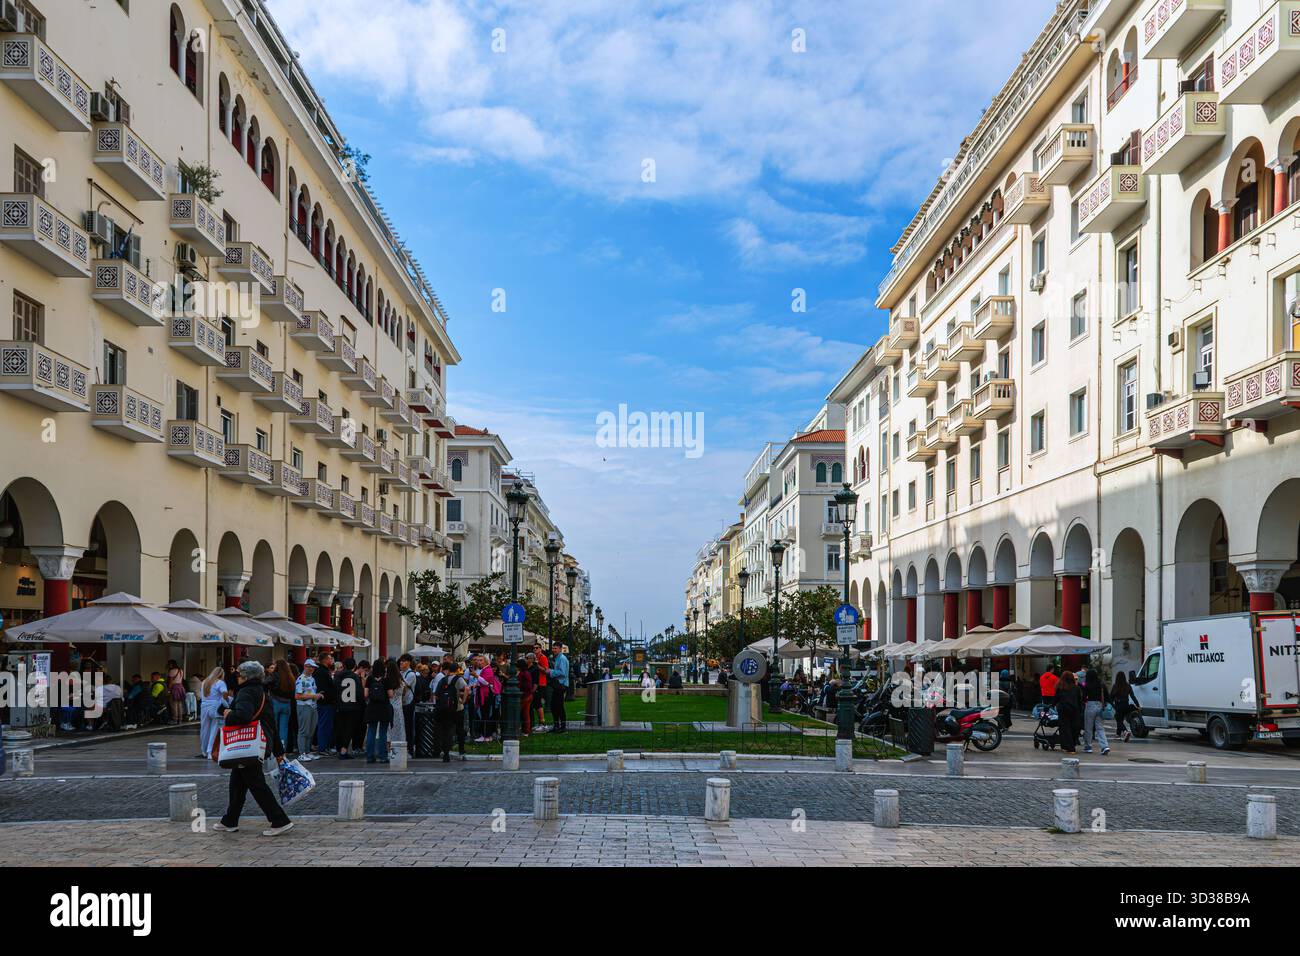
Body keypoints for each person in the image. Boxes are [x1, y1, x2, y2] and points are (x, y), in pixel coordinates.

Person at [212, 660, 293, 836]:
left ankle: (279, 820)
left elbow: (242, 716)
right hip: (261, 742)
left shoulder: (247, 692)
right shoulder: (262, 692)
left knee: (256, 783)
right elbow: (272, 724)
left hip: (248, 744)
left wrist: (228, 714)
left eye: (239, 674)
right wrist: (278, 751)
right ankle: (230, 820)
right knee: (238, 782)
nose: (237, 677)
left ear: (246, 677)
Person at [432, 660, 467, 761]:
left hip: (445, 709)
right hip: (457, 708)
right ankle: (461, 749)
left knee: (446, 731)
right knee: (460, 729)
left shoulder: (443, 680)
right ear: (456, 670)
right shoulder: (458, 679)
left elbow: (436, 694)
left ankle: (446, 753)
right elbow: (466, 689)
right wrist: (463, 700)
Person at [364, 659, 394, 764]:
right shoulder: (386, 680)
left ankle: (370, 756)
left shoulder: (369, 679)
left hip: (372, 707)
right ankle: (382, 756)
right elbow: (391, 695)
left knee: (371, 731)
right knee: (383, 732)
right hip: (384, 707)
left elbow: (365, 695)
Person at [334, 658, 364, 759]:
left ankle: (339, 748)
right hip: (353, 706)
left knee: (340, 728)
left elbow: (336, 690)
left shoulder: (338, 676)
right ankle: (344, 750)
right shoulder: (355, 677)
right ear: (354, 666)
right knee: (349, 729)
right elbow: (359, 693)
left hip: (340, 705)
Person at [294, 659, 323, 760]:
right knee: (303, 730)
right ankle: (302, 753)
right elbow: (297, 696)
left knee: (311, 730)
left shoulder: (312, 679)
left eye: (313, 667)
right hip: (304, 706)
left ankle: (307, 751)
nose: (312, 669)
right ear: (305, 666)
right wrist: (314, 696)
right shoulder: (301, 679)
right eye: (310, 667)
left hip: (312, 706)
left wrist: (315, 696)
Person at [199, 666, 229, 760]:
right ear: (221, 674)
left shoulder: (205, 682)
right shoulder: (220, 682)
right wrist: (226, 700)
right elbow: (225, 693)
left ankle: (203, 751)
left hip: (204, 707)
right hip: (215, 707)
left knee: (204, 729)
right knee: (214, 730)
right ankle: (210, 752)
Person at [265, 659, 295, 750]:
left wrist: (271, 690)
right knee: (284, 728)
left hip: (275, 702)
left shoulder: (274, 675)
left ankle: (274, 749)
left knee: (274, 727)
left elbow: (265, 683)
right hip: (287, 704)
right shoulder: (290, 677)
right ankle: (283, 749)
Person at [1081, 667, 1110, 755]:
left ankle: (1088, 746)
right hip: (1100, 705)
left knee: (1088, 727)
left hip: (1090, 705)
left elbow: (1083, 697)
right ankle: (1104, 746)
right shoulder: (1101, 684)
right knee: (1100, 728)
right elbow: (1107, 696)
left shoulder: (1087, 684)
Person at [1055, 669, 1083, 755]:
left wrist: (1051, 706)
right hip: (1074, 710)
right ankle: (1071, 745)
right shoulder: (1076, 688)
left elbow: (1056, 698)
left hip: (1063, 710)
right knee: (1074, 728)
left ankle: (1067, 746)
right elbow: (1079, 700)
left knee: (1064, 728)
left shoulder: (1060, 687)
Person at [314, 651, 337, 756]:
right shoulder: (322, 672)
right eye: (329, 658)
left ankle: (324, 746)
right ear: (324, 660)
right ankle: (322, 747)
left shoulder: (320, 671)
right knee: (324, 725)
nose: (331, 660)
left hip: (324, 702)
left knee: (325, 725)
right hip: (325, 702)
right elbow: (327, 687)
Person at [1111, 670, 1139, 742]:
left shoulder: (1115, 686)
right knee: (1120, 719)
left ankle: (1125, 731)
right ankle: (1118, 735)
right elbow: (1133, 696)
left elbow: (1111, 697)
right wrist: (1138, 705)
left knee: (1118, 719)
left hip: (1118, 705)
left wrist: (1113, 705)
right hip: (1126, 705)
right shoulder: (1128, 685)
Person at [548, 644, 569, 733]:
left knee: (559, 706)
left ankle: (562, 727)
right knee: (554, 706)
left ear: (560, 649)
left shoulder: (562, 659)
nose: (553, 650)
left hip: (561, 685)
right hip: (558, 685)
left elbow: (562, 672)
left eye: (555, 648)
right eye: (553, 648)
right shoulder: (558, 658)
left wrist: (550, 671)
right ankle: (557, 725)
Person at [398, 654, 418, 745]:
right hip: (400, 703)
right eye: (401, 661)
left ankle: (409, 748)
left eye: (404, 661)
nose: (401, 662)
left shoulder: (411, 674)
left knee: (408, 726)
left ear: (409, 663)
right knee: (401, 727)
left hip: (408, 703)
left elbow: (403, 686)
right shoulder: (401, 673)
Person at [516, 656, 534, 736]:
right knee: (526, 714)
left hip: (524, 696)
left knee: (517, 713)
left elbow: (520, 684)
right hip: (528, 695)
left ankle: (518, 729)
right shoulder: (527, 673)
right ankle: (526, 731)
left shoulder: (522, 674)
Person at [165, 660, 186, 725]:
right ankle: (180, 719)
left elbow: (170, 682)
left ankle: (175, 719)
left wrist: (168, 690)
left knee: (173, 704)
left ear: (171, 664)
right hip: (180, 687)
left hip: (174, 688)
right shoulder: (181, 670)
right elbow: (181, 680)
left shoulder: (172, 671)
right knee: (179, 704)